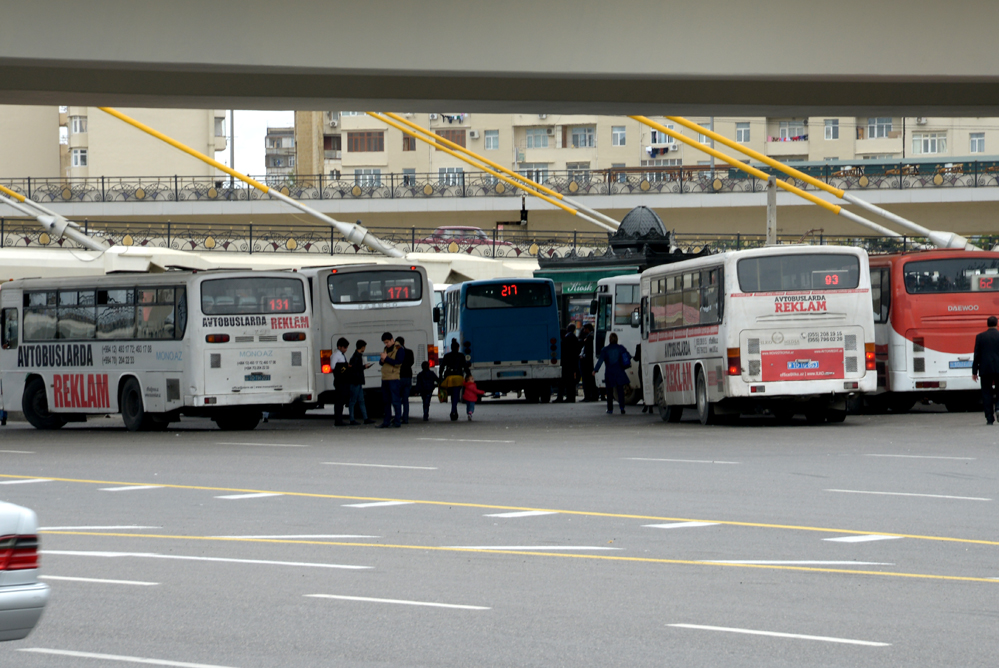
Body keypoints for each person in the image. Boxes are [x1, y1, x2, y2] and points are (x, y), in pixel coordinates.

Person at [593, 332, 630, 415]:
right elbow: (628, 356)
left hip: (609, 373)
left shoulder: (605, 350)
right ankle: (622, 408)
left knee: (609, 392)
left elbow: (600, 361)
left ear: (609, 339)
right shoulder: (621, 348)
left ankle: (610, 409)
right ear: (616, 339)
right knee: (620, 391)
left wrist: (595, 370)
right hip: (619, 372)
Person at [972, 315, 999, 425]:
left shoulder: (980, 337)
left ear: (987, 324)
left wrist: (974, 371)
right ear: (997, 323)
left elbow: (977, 355)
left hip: (985, 369)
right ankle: (998, 407)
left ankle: (989, 418)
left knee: (986, 393)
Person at [378, 332, 404, 428]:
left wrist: (387, 359)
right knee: (386, 401)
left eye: (387, 342)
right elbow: (382, 363)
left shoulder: (399, 349)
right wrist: (382, 360)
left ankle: (397, 421)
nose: (386, 344)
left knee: (395, 400)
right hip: (385, 377)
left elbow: (398, 362)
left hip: (393, 378)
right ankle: (386, 421)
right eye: (385, 343)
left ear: (392, 340)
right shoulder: (386, 349)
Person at [347, 339, 375, 425]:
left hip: (356, 382)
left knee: (357, 401)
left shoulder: (355, 356)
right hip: (356, 382)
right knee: (355, 401)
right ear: (362, 347)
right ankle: (356, 419)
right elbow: (355, 369)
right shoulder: (357, 357)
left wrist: (363, 367)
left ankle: (363, 418)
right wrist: (364, 367)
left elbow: (354, 368)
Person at [440, 340, 469, 421]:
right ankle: (453, 411)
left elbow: (442, 366)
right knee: (456, 394)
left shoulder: (447, 356)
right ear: (458, 348)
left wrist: (440, 376)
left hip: (449, 377)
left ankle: (454, 410)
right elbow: (465, 366)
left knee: (453, 395)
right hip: (458, 377)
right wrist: (468, 374)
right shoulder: (461, 356)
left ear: (451, 348)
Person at [556, 324, 579, 403]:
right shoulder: (575, 338)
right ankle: (571, 397)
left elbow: (564, 351)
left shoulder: (566, 339)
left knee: (563, 381)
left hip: (566, 363)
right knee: (571, 381)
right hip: (572, 362)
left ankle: (563, 397)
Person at [331, 337, 350, 426]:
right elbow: (333, 367)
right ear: (339, 347)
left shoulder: (341, 355)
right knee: (339, 401)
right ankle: (338, 420)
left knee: (341, 401)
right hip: (339, 380)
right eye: (344, 347)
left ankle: (339, 419)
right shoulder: (336, 355)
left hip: (343, 380)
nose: (345, 349)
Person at [396, 336, 415, 424]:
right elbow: (411, 362)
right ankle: (405, 418)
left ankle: (398, 417)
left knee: (398, 398)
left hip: (399, 376)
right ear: (404, 343)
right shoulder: (410, 352)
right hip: (408, 376)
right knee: (405, 399)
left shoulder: (396, 352)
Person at [578, 323, 598, 402]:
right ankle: (593, 395)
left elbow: (587, 350)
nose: (584, 330)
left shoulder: (590, 337)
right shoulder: (591, 336)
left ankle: (588, 396)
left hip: (586, 362)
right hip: (589, 361)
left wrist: (583, 357)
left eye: (585, 328)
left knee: (587, 380)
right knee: (591, 380)